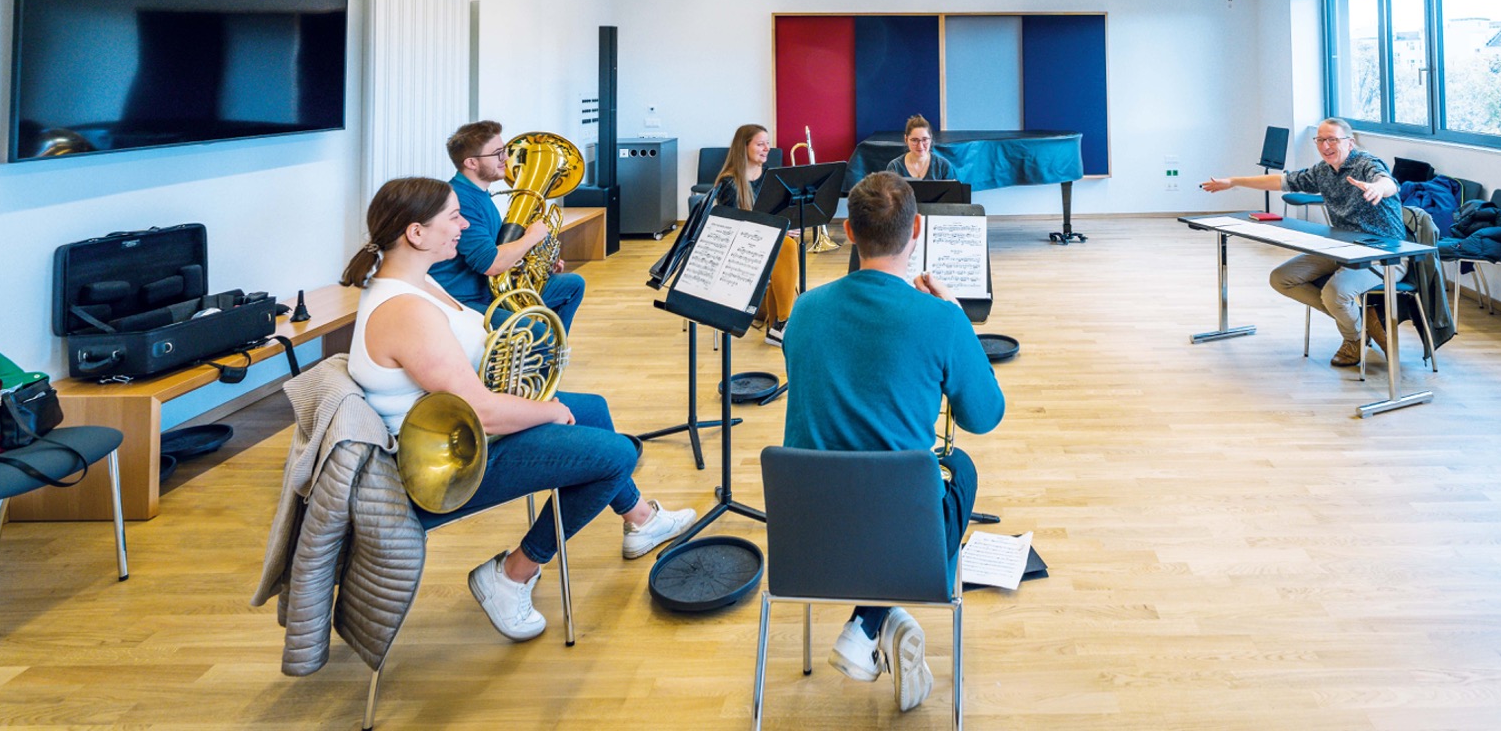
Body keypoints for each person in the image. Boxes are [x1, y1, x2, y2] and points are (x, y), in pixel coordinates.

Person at [340, 177, 695, 641]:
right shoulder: (406, 310)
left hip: (461, 436)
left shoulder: (415, 282)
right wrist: (547, 411)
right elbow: (481, 412)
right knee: (617, 455)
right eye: (454, 217)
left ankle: (640, 520)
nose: (464, 226)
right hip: (449, 468)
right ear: (416, 233)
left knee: (593, 410)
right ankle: (511, 574)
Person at [781, 171, 1005, 712]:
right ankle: (872, 617)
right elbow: (984, 417)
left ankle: (871, 619)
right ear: (917, 229)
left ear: (848, 231)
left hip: (807, 535)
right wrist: (958, 321)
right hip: (902, 538)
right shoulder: (941, 319)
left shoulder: (804, 310)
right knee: (961, 467)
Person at [1200, 117, 1405, 367]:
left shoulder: (1366, 163)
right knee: (1281, 278)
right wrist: (1233, 182)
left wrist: (1378, 189)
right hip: (1341, 249)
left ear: (1350, 143)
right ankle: (1360, 321)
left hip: (1385, 254)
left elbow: (1387, 182)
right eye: (1320, 140)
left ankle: (1354, 339)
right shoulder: (1322, 171)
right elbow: (1281, 181)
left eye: (1332, 139)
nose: (1325, 146)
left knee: (1335, 294)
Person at [429, 120, 584, 333]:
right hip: (464, 300)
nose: (506, 158)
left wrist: (540, 263)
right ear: (472, 163)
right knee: (540, 333)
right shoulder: (460, 200)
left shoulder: (480, 194)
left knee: (573, 285)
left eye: (505, 151)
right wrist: (532, 237)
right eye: (497, 154)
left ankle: (553, 350)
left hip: (487, 290)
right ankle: (548, 346)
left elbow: (497, 247)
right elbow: (491, 264)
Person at [715, 123, 799, 346]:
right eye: (760, 144)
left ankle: (779, 325)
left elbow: (779, 212)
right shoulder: (729, 182)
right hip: (741, 249)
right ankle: (781, 324)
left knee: (787, 244)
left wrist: (787, 224)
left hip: (770, 243)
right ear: (744, 147)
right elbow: (732, 228)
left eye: (768, 143)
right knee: (786, 245)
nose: (767, 148)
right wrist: (776, 230)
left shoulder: (771, 176)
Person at [885, 114, 954, 182]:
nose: (920, 146)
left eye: (925, 139)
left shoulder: (943, 166)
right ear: (906, 139)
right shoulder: (895, 167)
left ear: (931, 138)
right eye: (914, 140)